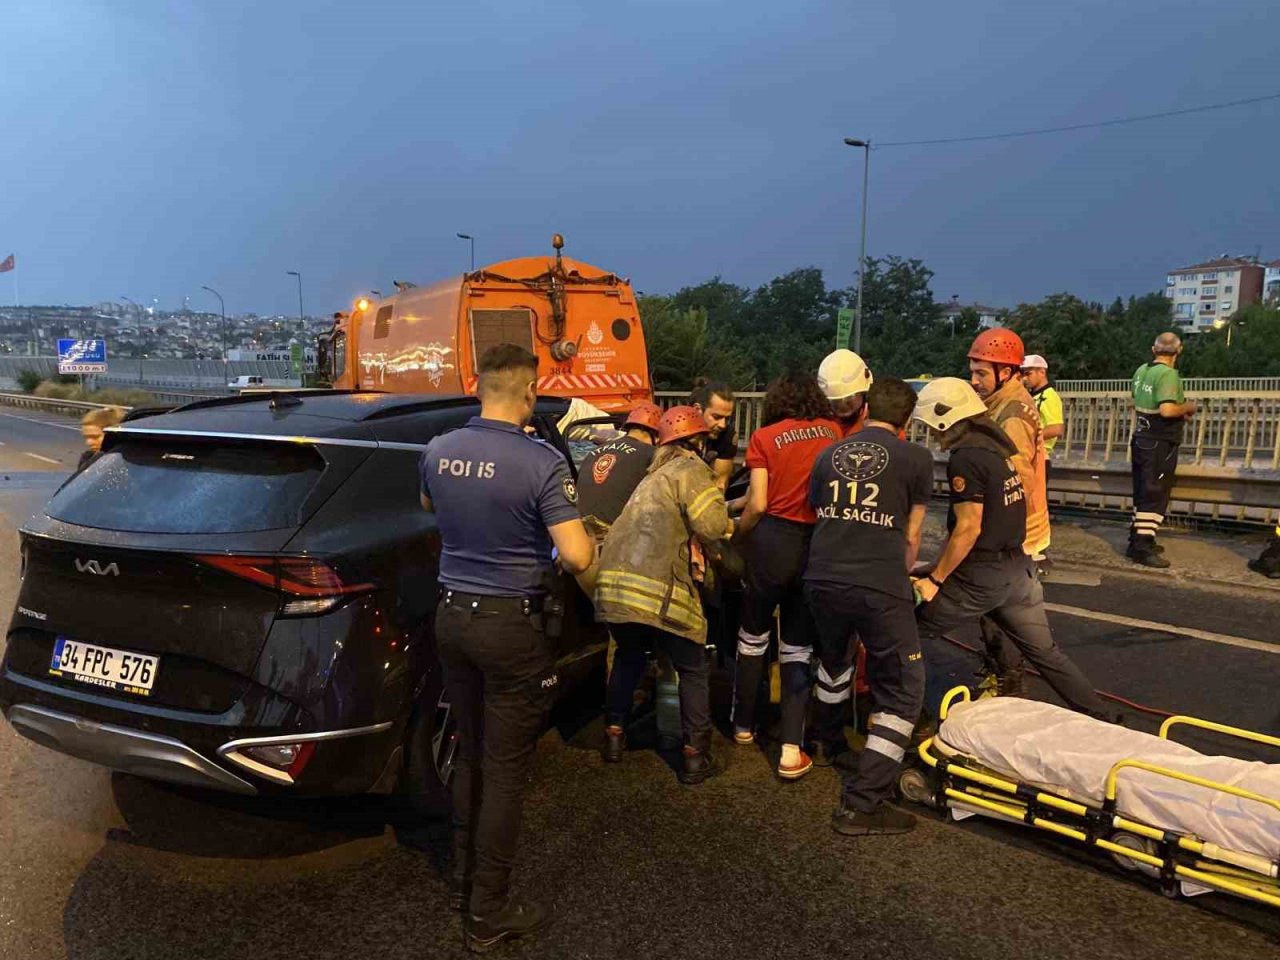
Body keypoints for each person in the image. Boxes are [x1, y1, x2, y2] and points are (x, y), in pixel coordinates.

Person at [419, 344, 594, 952]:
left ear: (477, 387)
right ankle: (487, 911)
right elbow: (575, 556)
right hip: (509, 627)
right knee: (506, 771)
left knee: (470, 756)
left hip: (452, 617)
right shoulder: (540, 461)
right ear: (529, 392)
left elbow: (428, 506)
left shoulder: (439, 450)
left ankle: (462, 884)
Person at [909, 378, 1110, 724]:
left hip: (980, 576)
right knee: (1047, 655)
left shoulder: (966, 459)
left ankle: (908, 723)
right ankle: (1105, 719)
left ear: (946, 419)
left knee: (907, 632)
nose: (932, 435)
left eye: (931, 427)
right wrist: (932, 565)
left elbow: (969, 527)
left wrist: (935, 579)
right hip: (1018, 570)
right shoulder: (997, 447)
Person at [806, 377, 934, 836]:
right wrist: (904, 583)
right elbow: (912, 535)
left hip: (821, 577)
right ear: (906, 421)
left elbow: (822, 512)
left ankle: (826, 742)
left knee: (834, 661)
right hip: (878, 584)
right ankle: (863, 801)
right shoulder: (917, 459)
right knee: (904, 685)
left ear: (864, 409)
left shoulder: (828, 454)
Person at [595, 405, 732, 784]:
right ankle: (694, 756)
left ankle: (614, 738)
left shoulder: (651, 477)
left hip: (614, 589)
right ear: (697, 441)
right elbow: (712, 524)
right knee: (692, 666)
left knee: (629, 656)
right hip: (656, 590)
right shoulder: (691, 470)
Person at [730, 372, 842, 779]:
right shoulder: (833, 432)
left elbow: (758, 503)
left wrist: (740, 535)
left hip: (772, 542)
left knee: (753, 636)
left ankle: (743, 725)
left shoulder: (764, 437)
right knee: (797, 647)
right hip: (815, 544)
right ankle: (791, 751)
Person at [967, 329, 1049, 558]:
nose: (974, 381)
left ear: (1004, 372)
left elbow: (1018, 479)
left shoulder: (1012, 414)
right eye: (972, 373)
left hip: (1013, 535)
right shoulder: (1005, 401)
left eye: (981, 374)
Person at [574, 401, 662, 596]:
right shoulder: (652, 455)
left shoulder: (593, 453)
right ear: (656, 434)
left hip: (581, 551)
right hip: (613, 556)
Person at [1128, 332, 1197, 568]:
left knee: (1142, 491)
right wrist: (1187, 406)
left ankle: (1136, 538)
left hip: (1140, 437)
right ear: (1179, 351)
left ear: (1153, 349)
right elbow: (1167, 411)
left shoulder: (1141, 370)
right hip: (1159, 441)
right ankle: (1143, 546)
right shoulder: (1168, 375)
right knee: (1155, 493)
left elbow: (1138, 401)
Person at [1020, 354, 1063, 492]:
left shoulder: (1049, 396)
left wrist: (1029, 436)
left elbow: (1057, 428)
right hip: (1030, 456)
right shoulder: (1033, 396)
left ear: (1042, 372)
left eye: (1028, 373)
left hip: (1040, 458)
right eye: (1023, 374)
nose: (1025, 378)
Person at [688, 380, 737, 490]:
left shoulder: (727, 434)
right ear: (697, 410)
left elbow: (720, 484)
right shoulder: (678, 433)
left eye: (727, 418)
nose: (723, 425)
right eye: (716, 417)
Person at [817, 348, 873, 437]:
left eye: (849, 397)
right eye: (835, 401)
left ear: (863, 393)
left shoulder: (881, 425)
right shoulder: (818, 429)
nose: (842, 405)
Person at [77, 406, 125, 472]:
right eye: (86, 437)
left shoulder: (129, 462)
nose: (88, 443)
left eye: (95, 437)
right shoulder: (87, 458)